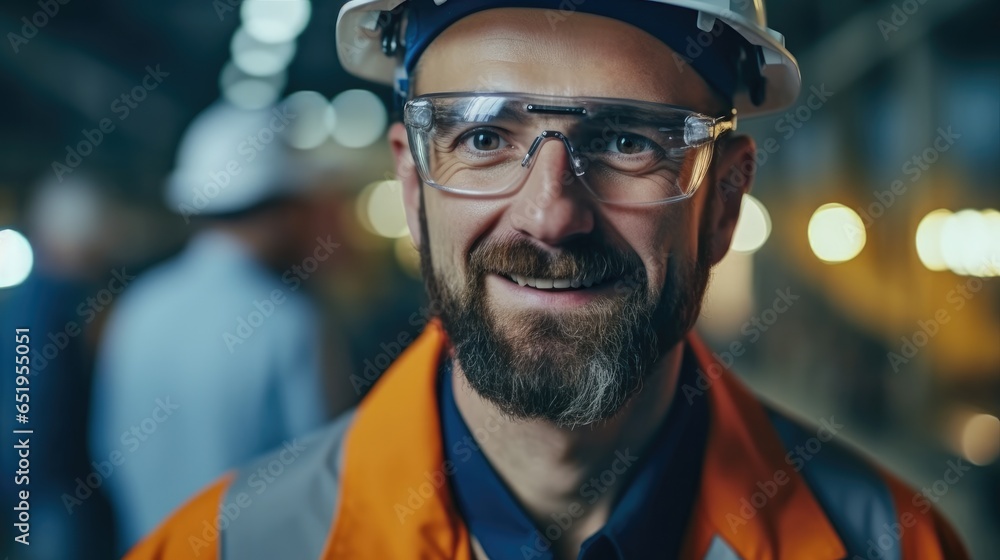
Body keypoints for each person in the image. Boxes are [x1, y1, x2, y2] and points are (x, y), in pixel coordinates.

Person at [125, 1, 969, 559]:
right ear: (414, 190)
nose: (551, 216)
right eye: (485, 139)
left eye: (632, 141)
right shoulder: (220, 548)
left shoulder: (890, 545)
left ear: (724, 203)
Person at [90, 101, 354, 553]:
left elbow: (106, 449)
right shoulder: (288, 323)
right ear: (284, 213)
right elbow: (327, 478)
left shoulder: (137, 306)